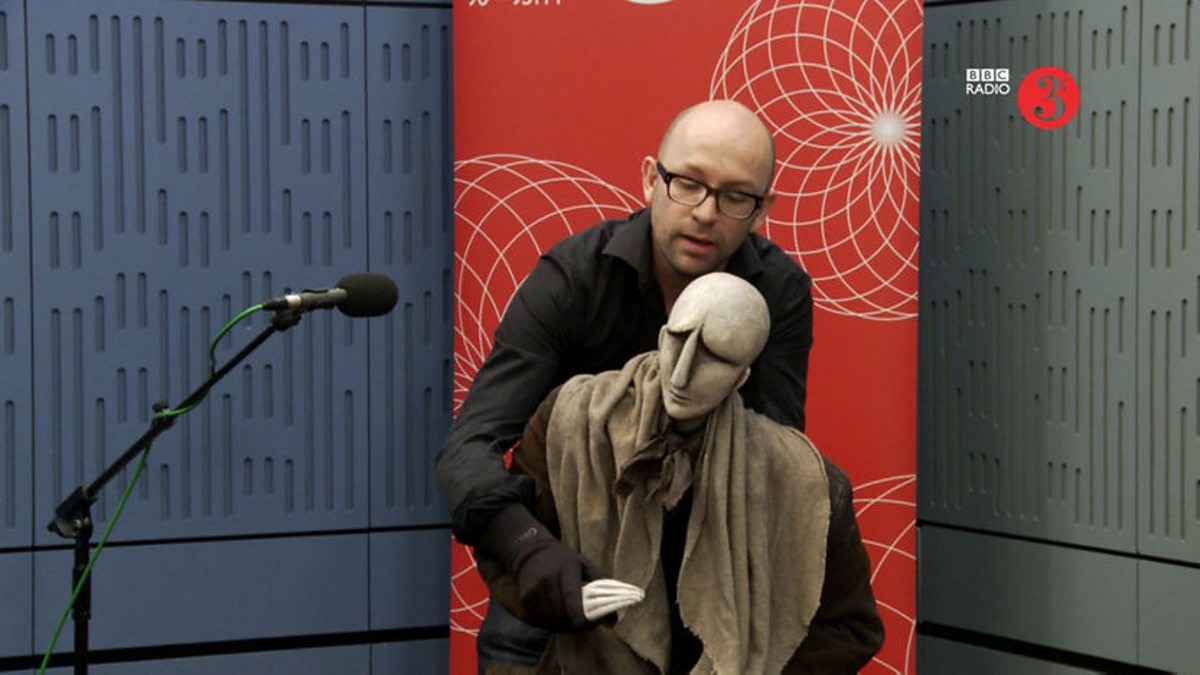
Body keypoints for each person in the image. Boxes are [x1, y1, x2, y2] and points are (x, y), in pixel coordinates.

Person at [436, 100, 815, 671]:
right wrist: (529, 549)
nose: (705, 213)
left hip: (701, 602)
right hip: (558, 587)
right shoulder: (572, 281)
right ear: (650, 180)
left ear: (762, 211)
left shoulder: (778, 293)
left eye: (736, 197)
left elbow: (776, 454)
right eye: (688, 183)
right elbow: (468, 448)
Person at [476, 273, 884, 673]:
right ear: (661, 335)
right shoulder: (571, 423)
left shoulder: (804, 481)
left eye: (715, 357)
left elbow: (850, 628)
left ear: (741, 376)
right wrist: (549, 583)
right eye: (678, 338)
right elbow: (507, 543)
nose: (682, 372)